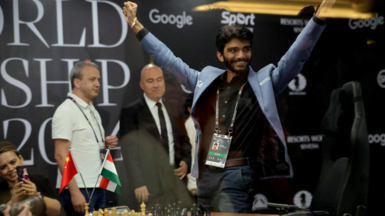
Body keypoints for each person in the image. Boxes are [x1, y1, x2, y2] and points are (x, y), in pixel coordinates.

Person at [122, 0, 336, 213]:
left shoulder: (264, 82)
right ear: (220, 55)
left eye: (246, 49)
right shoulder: (203, 81)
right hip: (206, 176)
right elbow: (167, 59)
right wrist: (135, 25)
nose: (241, 55)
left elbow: (295, 56)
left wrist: (319, 19)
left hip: (238, 173)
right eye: (233, 50)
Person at [120, 64, 192, 208]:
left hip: (176, 182)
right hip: (149, 186)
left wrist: (186, 161)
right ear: (142, 85)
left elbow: (184, 140)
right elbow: (129, 154)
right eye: (150, 81)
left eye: (159, 80)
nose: (156, 85)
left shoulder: (174, 107)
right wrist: (138, 183)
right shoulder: (131, 112)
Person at [52, 61, 118, 215]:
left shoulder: (92, 109)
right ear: (77, 82)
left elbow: (84, 143)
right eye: (92, 79)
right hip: (79, 188)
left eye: (98, 80)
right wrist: (74, 192)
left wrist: (103, 143)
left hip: (98, 185)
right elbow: (60, 155)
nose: (98, 84)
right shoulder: (66, 111)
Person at [0, 141, 61, 216]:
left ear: (21, 159)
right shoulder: (1, 191)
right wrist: (13, 201)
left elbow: (57, 211)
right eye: (3, 167)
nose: (10, 168)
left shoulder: (40, 181)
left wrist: (36, 196)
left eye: (13, 162)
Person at [184, 95, 198, 198]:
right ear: (189, 109)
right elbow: (191, 154)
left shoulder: (201, 123)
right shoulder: (191, 125)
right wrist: (193, 183)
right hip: (198, 183)